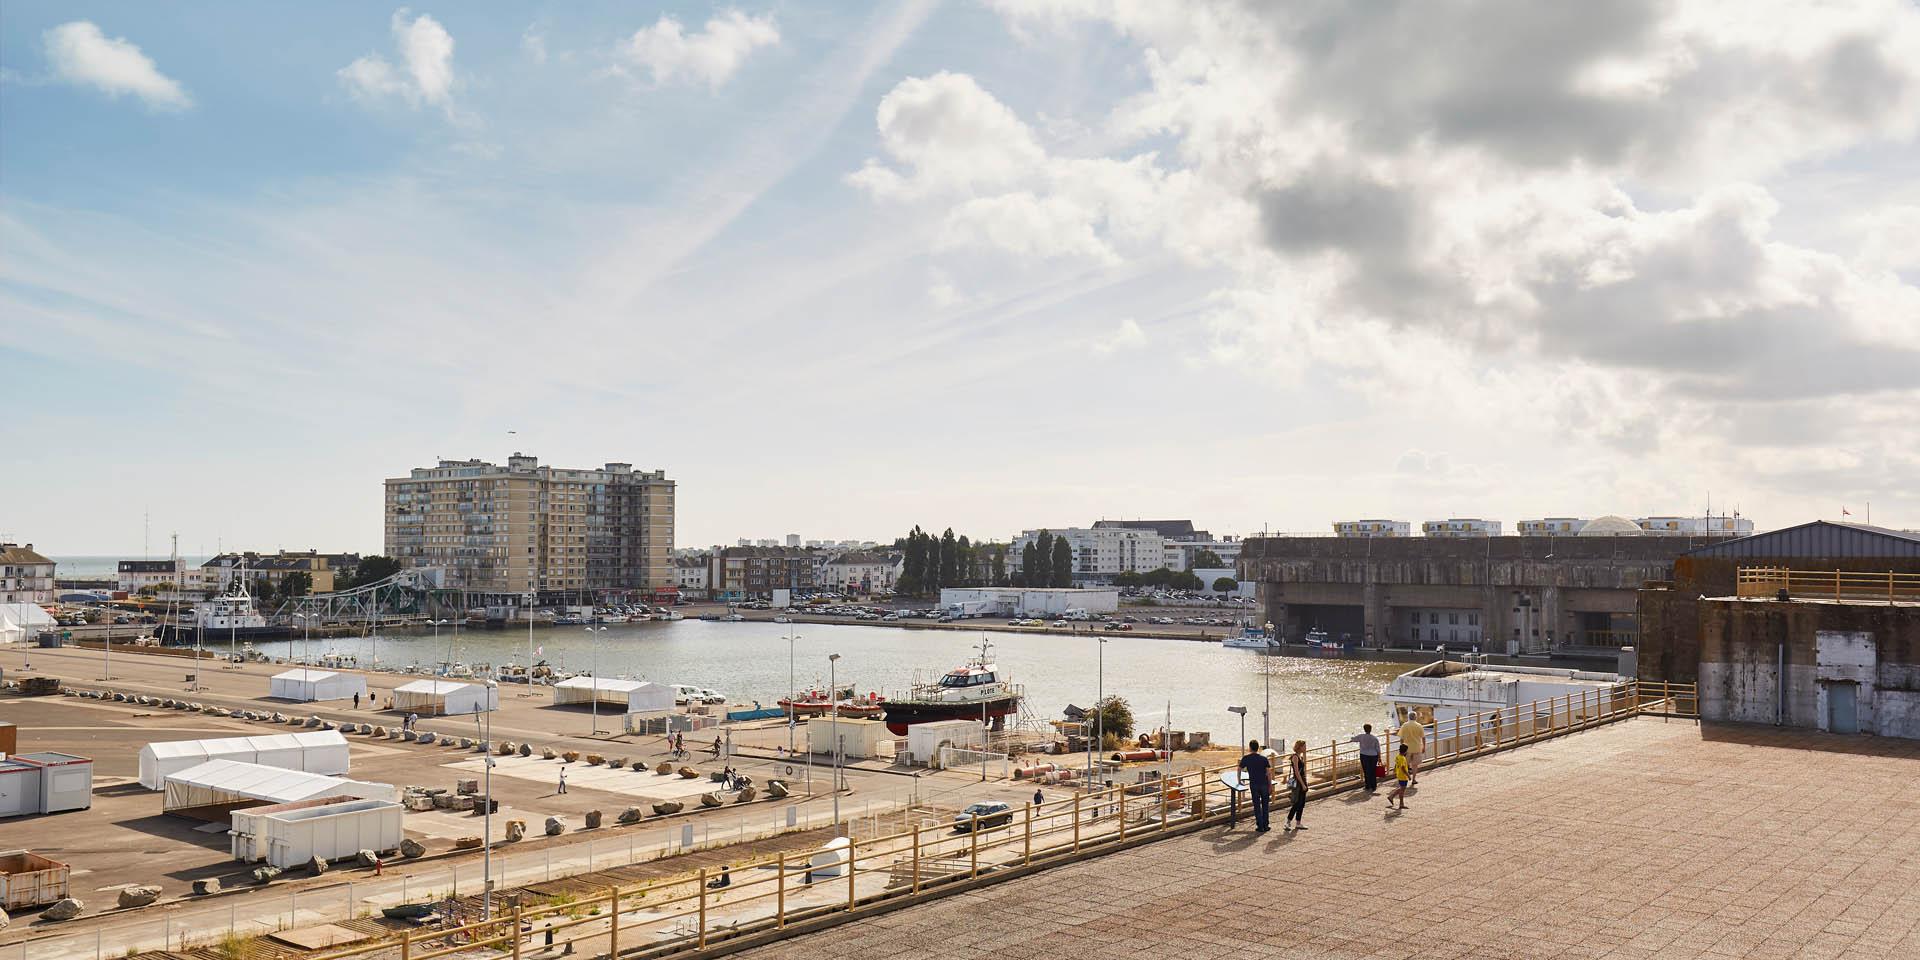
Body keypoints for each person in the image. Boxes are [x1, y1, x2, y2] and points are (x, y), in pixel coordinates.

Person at [1238, 740, 1272, 832]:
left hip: (1254, 784)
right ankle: (1266, 825)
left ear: (1250, 747)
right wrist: (1270, 785)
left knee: (1257, 805)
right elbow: (1268, 772)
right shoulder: (1264, 759)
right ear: (1258, 748)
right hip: (1264, 783)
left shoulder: (1246, 758)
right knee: (1265, 805)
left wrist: (1239, 780)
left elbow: (1239, 768)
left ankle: (1260, 826)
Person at [1283, 740, 1309, 831]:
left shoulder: (1300, 757)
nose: (1305, 748)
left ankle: (1298, 822)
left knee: (1302, 803)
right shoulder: (1295, 757)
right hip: (1299, 782)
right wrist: (1302, 784)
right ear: (1300, 747)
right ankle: (1288, 821)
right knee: (1297, 803)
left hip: (1303, 780)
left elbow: (1304, 766)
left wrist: (1304, 754)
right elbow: (1297, 772)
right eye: (1304, 746)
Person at [1351, 723, 1381, 792]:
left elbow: (1354, 739)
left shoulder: (1361, 736)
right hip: (1373, 755)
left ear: (1364, 729)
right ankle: (1374, 786)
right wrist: (1379, 758)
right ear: (1371, 729)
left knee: (1366, 770)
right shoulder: (1374, 738)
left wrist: (1351, 738)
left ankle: (1368, 785)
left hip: (1364, 755)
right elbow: (1378, 749)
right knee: (1373, 770)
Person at [1398, 714, 1426, 785]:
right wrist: (1424, 747)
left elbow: (1401, 738)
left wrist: (1401, 747)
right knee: (1415, 765)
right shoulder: (1419, 725)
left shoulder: (1404, 725)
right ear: (1415, 717)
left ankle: (1404, 778)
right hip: (1417, 747)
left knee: (1405, 764)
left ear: (1408, 717)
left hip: (1406, 748)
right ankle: (1414, 779)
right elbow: (1423, 737)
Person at [1387, 743, 1411, 809]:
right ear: (1406, 751)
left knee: (1402, 788)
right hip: (1403, 776)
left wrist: (1394, 770)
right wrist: (1408, 775)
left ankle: (1392, 797)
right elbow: (1403, 768)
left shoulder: (1398, 756)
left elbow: (1396, 764)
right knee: (1402, 790)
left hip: (1399, 775)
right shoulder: (1403, 758)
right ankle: (1400, 803)